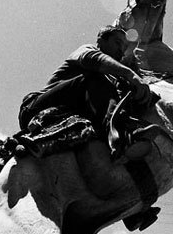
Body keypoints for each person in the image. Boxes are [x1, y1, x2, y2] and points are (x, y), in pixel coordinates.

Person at [18, 24, 157, 160]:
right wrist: (130, 75)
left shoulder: (110, 80)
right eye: (117, 42)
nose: (121, 50)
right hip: (34, 107)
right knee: (95, 76)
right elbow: (94, 59)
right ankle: (122, 133)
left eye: (124, 48)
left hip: (71, 110)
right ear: (101, 41)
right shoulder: (87, 50)